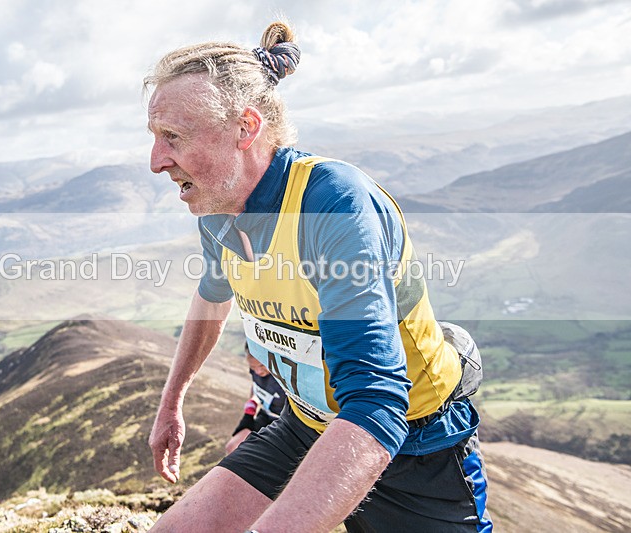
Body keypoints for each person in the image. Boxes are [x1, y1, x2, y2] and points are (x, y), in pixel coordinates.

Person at [145, 21, 492, 532]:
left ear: (245, 127)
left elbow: (376, 400)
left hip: (415, 442)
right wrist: (171, 403)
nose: (156, 162)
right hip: (307, 424)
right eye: (155, 138)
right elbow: (212, 296)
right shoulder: (217, 208)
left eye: (172, 137)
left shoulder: (330, 204)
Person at [225, 342, 286, 454]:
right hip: (265, 415)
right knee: (232, 447)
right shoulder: (256, 372)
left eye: (262, 365)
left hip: (283, 423)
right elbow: (255, 385)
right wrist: (250, 409)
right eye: (252, 367)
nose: (258, 372)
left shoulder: (283, 379)